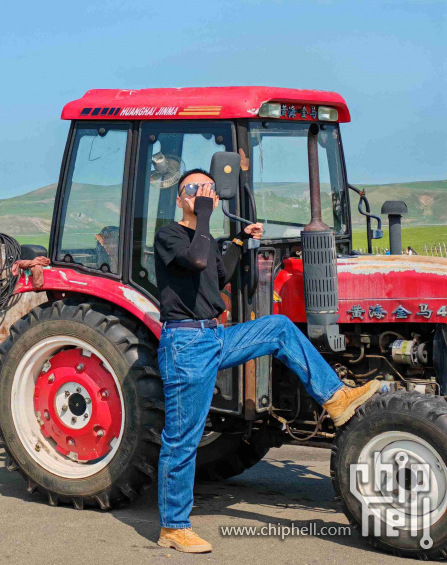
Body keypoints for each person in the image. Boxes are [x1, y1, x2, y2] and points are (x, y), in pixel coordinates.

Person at [154, 169, 381, 554]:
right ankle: (173, 528)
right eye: (193, 189)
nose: (201, 193)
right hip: (186, 344)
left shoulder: (205, 239)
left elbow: (218, 273)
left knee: (277, 327)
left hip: (215, 336)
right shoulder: (170, 234)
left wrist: (241, 240)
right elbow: (194, 261)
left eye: (208, 188)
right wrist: (207, 213)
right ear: (180, 198)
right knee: (182, 439)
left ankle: (335, 398)